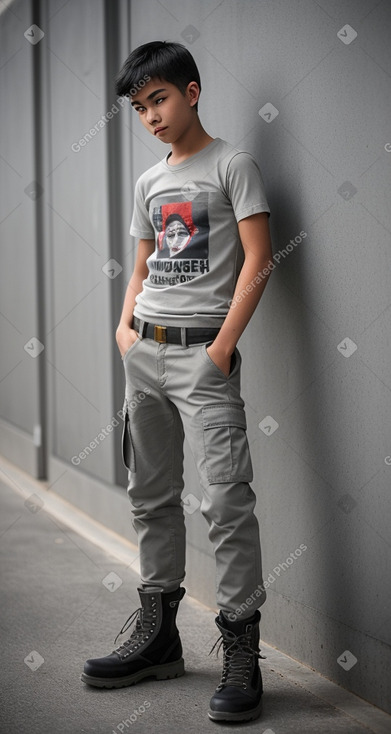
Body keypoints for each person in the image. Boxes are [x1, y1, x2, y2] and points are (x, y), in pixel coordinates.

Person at [82, 40, 273, 724]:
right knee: (150, 495)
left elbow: (259, 259)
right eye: (139, 109)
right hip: (146, 355)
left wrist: (222, 347)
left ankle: (240, 651)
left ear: (191, 92)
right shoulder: (148, 182)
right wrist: (124, 328)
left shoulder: (232, 164)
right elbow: (140, 263)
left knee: (225, 501)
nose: (151, 116)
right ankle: (158, 634)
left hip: (204, 358)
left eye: (158, 99)